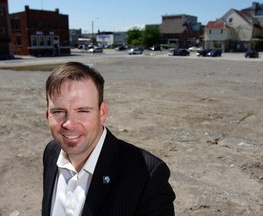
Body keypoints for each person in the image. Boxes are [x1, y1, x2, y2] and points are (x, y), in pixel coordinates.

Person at [42, 61, 176, 216]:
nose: (69, 124)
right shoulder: (51, 152)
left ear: (102, 112)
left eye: (83, 111)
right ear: (47, 114)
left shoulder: (147, 175)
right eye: (58, 111)